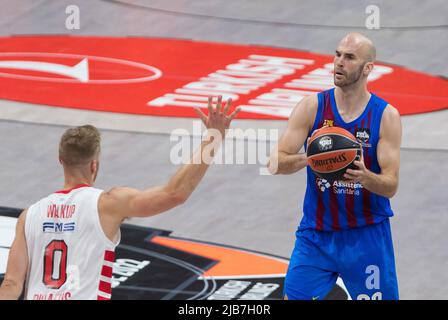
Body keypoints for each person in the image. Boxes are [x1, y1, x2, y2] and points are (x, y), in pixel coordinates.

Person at [0, 96, 239, 300]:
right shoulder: (107, 204)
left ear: (61, 160)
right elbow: (175, 194)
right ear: (95, 165)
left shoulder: (29, 215)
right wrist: (213, 138)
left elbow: (11, 284)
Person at [268, 32, 402, 300]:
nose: (339, 62)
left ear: (367, 69)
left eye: (349, 57)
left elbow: (390, 186)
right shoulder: (312, 107)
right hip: (317, 234)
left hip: (366, 236)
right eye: (337, 54)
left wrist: (365, 177)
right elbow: (275, 163)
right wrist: (312, 158)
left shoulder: (386, 116)